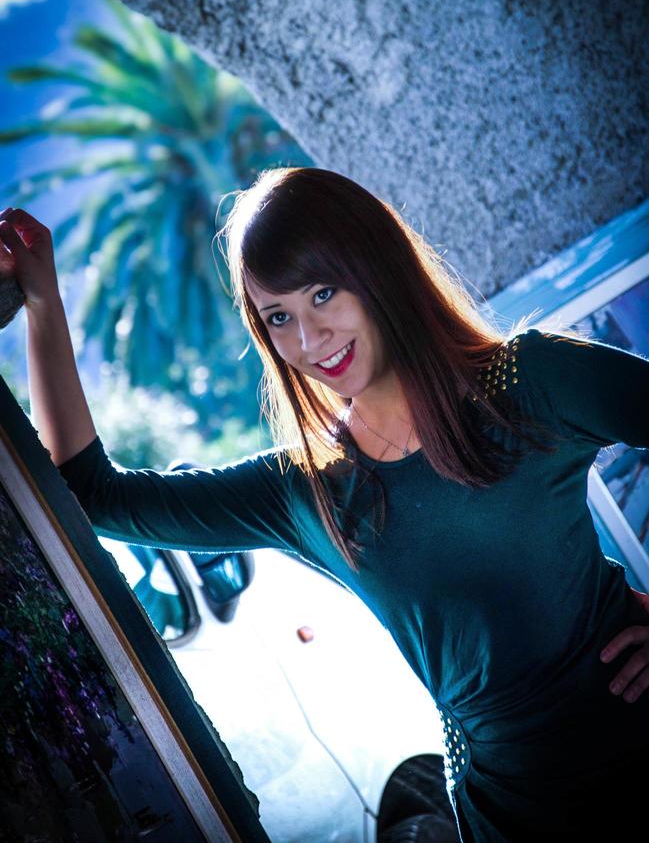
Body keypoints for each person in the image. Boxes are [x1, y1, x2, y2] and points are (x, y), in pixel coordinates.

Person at [1, 166, 649, 842]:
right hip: (512, 816)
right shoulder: (308, 489)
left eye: (323, 294)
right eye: (279, 316)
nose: (308, 341)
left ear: (377, 268)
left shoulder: (531, 379)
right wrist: (43, 302)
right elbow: (92, 493)